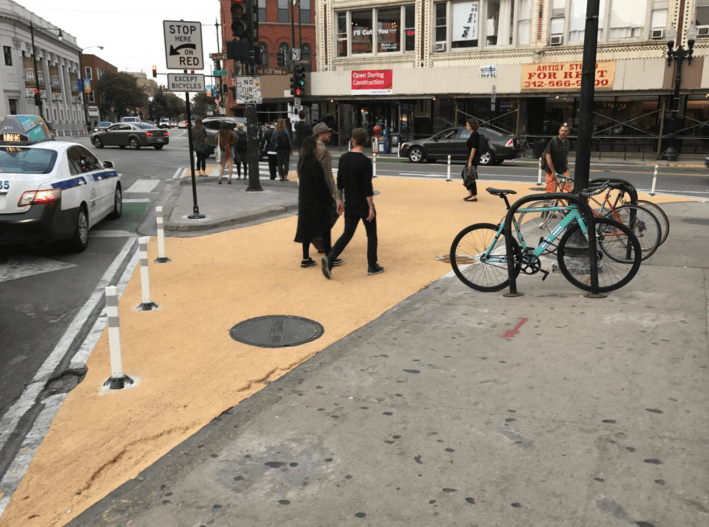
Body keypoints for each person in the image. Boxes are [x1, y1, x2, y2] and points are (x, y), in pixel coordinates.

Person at [321, 128, 384, 279]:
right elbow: (367, 187)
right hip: (363, 202)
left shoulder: (343, 158)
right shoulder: (365, 162)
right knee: (371, 235)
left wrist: (340, 201)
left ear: (353, 140)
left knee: (347, 233)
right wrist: (371, 207)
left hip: (350, 202)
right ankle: (372, 265)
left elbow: (340, 182)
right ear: (365, 142)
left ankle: (330, 258)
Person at [294, 137, 341, 268]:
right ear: (312, 148)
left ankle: (305, 258)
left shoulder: (302, 162)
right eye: (316, 146)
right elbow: (321, 184)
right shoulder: (314, 163)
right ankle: (329, 255)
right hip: (317, 201)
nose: (318, 148)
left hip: (305, 201)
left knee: (306, 229)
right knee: (325, 227)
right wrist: (330, 198)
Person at [312, 121, 338, 253]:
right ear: (321, 134)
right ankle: (320, 238)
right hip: (324, 189)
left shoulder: (311, 148)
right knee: (333, 212)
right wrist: (332, 192)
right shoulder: (324, 151)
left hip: (312, 188)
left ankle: (318, 238)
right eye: (327, 133)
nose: (330, 135)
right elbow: (327, 174)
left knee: (320, 214)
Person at [543, 123, 573, 193]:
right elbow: (548, 156)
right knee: (550, 192)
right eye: (562, 130)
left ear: (568, 133)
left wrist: (567, 168)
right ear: (559, 131)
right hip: (552, 172)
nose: (563, 132)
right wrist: (553, 171)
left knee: (568, 190)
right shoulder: (553, 141)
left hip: (563, 171)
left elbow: (564, 157)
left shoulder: (567, 142)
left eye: (565, 131)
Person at [463, 117, 480, 202]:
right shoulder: (473, 134)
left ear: (471, 125)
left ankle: (474, 195)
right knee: (465, 174)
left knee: (470, 176)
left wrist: (470, 161)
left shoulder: (475, 135)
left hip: (473, 159)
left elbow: (474, 148)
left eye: (467, 124)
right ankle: (470, 193)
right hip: (471, 158)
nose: (466, 126)